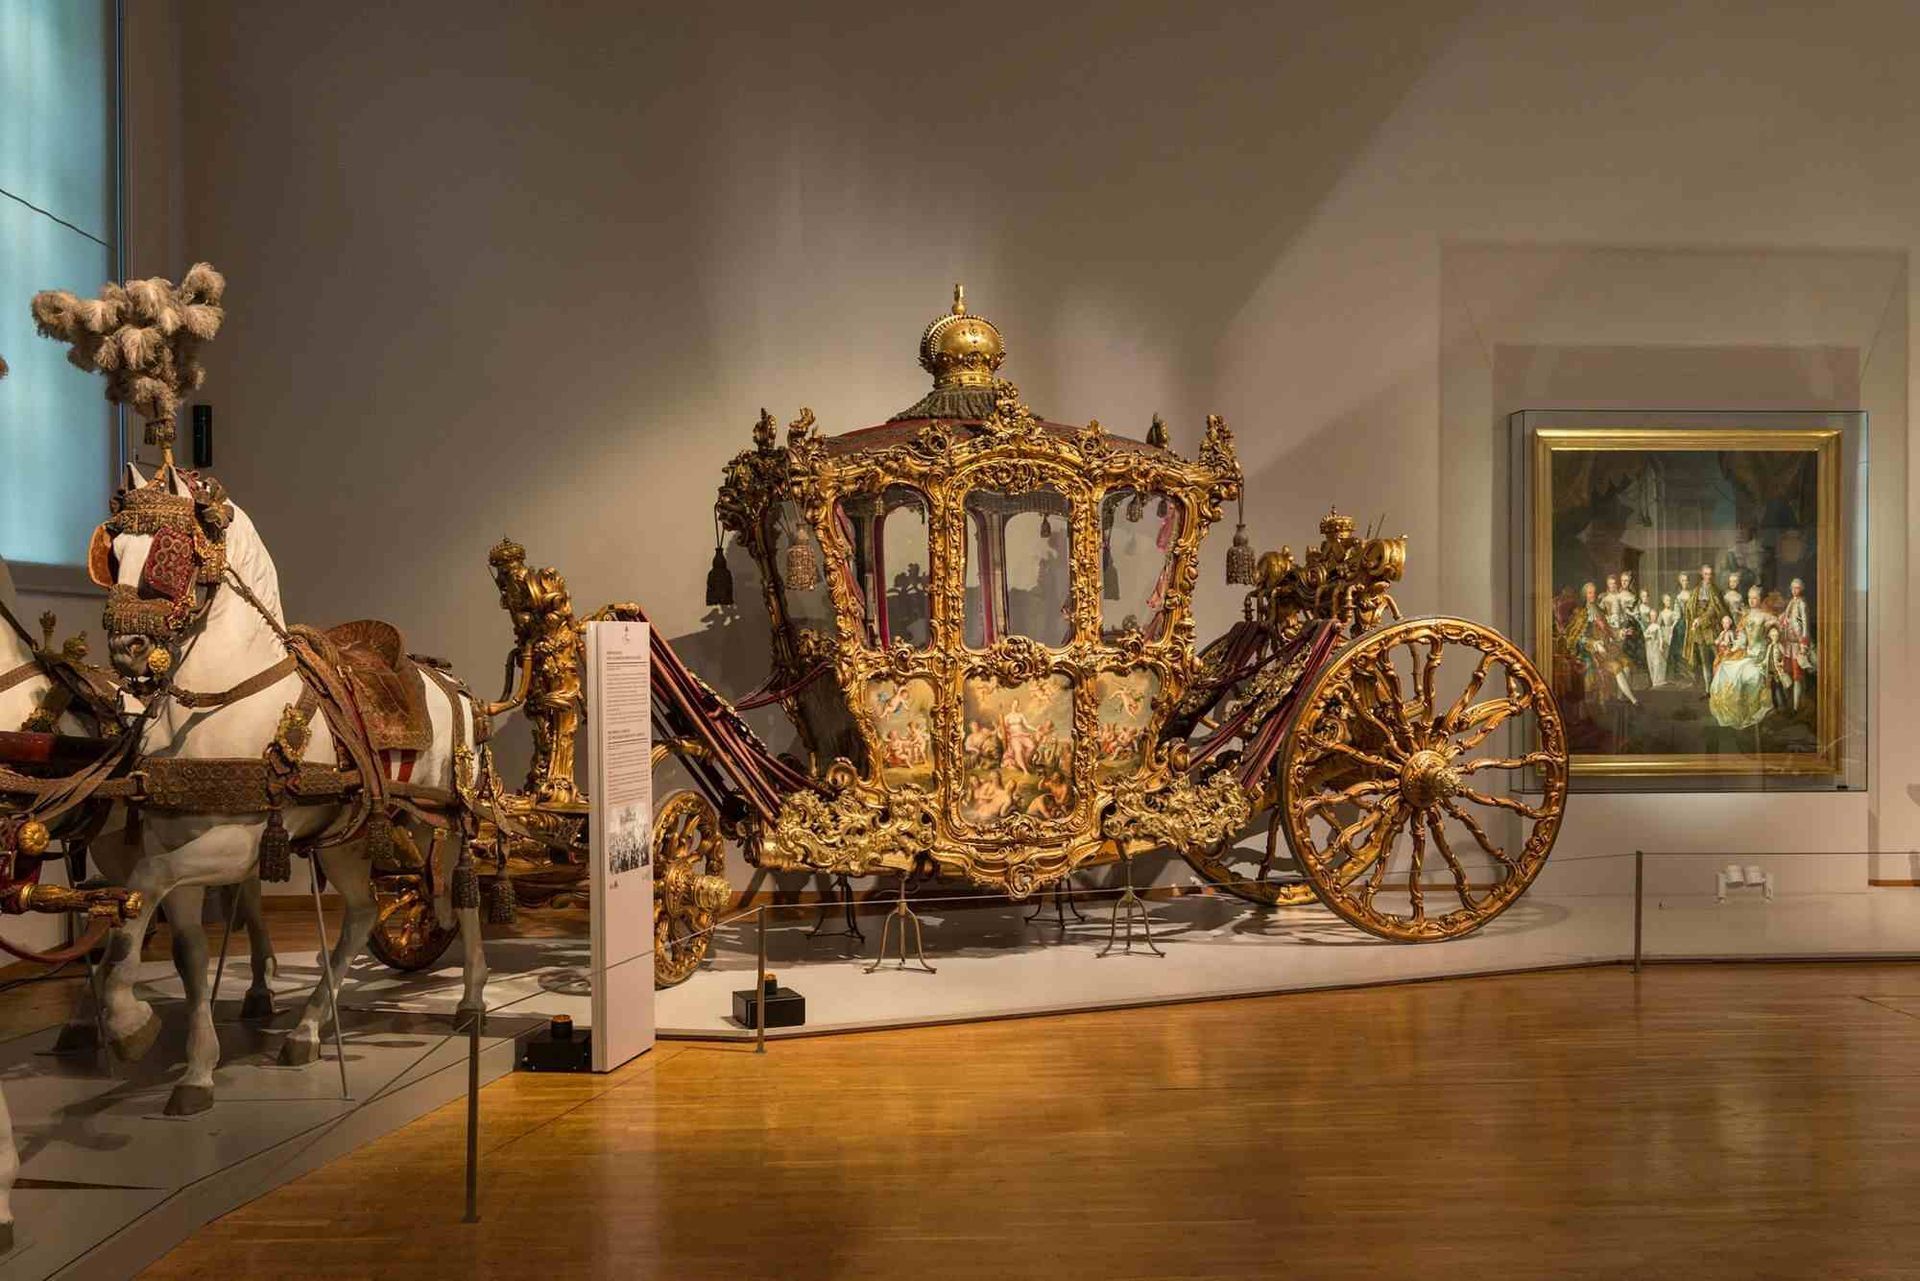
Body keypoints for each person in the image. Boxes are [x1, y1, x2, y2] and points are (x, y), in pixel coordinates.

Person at [1709, 584, 1778, 730]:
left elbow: (1775, 631)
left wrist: (1771, 626)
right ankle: (1734, 711)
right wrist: (1732, 649)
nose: (1752, 601)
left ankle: (1751, 711)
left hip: (1761, 655)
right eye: (1750, 598)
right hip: (1748, 654)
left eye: (1755, 598)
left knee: (1748, 674)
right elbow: (1742, 639)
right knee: (1726, 666)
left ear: (1760, 599)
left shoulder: (1766, 616)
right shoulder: (1745, 616)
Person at [1563, 581, 1638, 707]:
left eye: (1594, 592)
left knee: (1626, 664)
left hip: (1608, 647)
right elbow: (1578, 637)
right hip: (1593, 651)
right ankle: (1634, 701)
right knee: (1616, 667)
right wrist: (1594, 643)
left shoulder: (1599, 610)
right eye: (1590, 593)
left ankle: (1620, 698)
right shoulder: (1581, 613)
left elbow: (1609, 629)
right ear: (1585, 595)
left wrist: (1622, 631)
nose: (1593, 595)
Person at [1779, 577, 1816, 710]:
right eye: (1793, 588)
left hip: (1798, 644)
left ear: (1801, 589)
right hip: (1788, 644)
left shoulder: (1802, 604)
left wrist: (1804, 643)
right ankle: (1792, 703)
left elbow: (1805, 625)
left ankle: (1796, 707)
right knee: (1787, 673)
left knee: (1797, 676)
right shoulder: (1791, 602)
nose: (1795, 591)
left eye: (1797, 588)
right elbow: (1786, 618)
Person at [1685, 565, 1721, 692]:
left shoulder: (1714, 590)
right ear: (1701, 574)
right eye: (1706, 574)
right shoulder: (1696, 590)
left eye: (1710, 574)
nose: (1708, 577)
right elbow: (1691, 606)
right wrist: (1693, 616)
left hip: (1711, 628)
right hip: (1699, 631)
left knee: (1718, 658)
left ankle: (1719, 689)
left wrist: (1700, 620)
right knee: (1704, 661)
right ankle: (1707, 690)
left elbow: (1713, 609)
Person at [1646, 593, 1675, 688]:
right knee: (1656, 660)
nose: (1669, 602)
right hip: (1657, 640)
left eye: (1669, 600)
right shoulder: (1661, 614)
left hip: (1669, 634)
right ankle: (1656, 679)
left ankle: (1662, 678)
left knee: (1663, 659)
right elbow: (1656, 626)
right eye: (1667, 600)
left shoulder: (1673, 612)